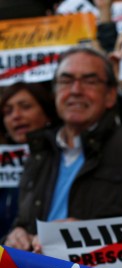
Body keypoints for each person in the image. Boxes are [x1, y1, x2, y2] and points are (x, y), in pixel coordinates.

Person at [3, 46, 122, 252]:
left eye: (89, 81)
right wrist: (16, 234)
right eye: (66, 81)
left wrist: (88, 235)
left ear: (110, 95)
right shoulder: (40, 151)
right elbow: (24, 221)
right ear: (55, 92)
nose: (76, 90)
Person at [0, 82, 59, 239]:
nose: (16, 116)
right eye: (7, 111)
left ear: (47, 113)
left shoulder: (63, 157)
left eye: (25, 107)